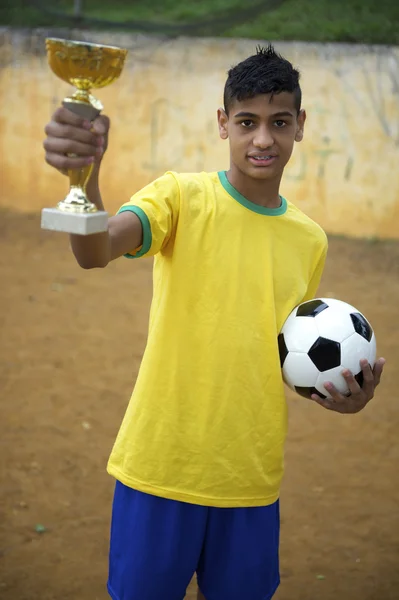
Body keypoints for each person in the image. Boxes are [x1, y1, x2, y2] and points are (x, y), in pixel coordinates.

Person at [43, 45, 385, 600]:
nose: (263, 139)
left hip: (249, 479)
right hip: (160, 466)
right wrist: (86, 177)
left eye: (279, 123)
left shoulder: (309, 240)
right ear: (223, 123)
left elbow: (284, 353)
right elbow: (95, 250)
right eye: (247, 122)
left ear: (301, 126)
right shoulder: (180, 197)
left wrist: (342, 393)